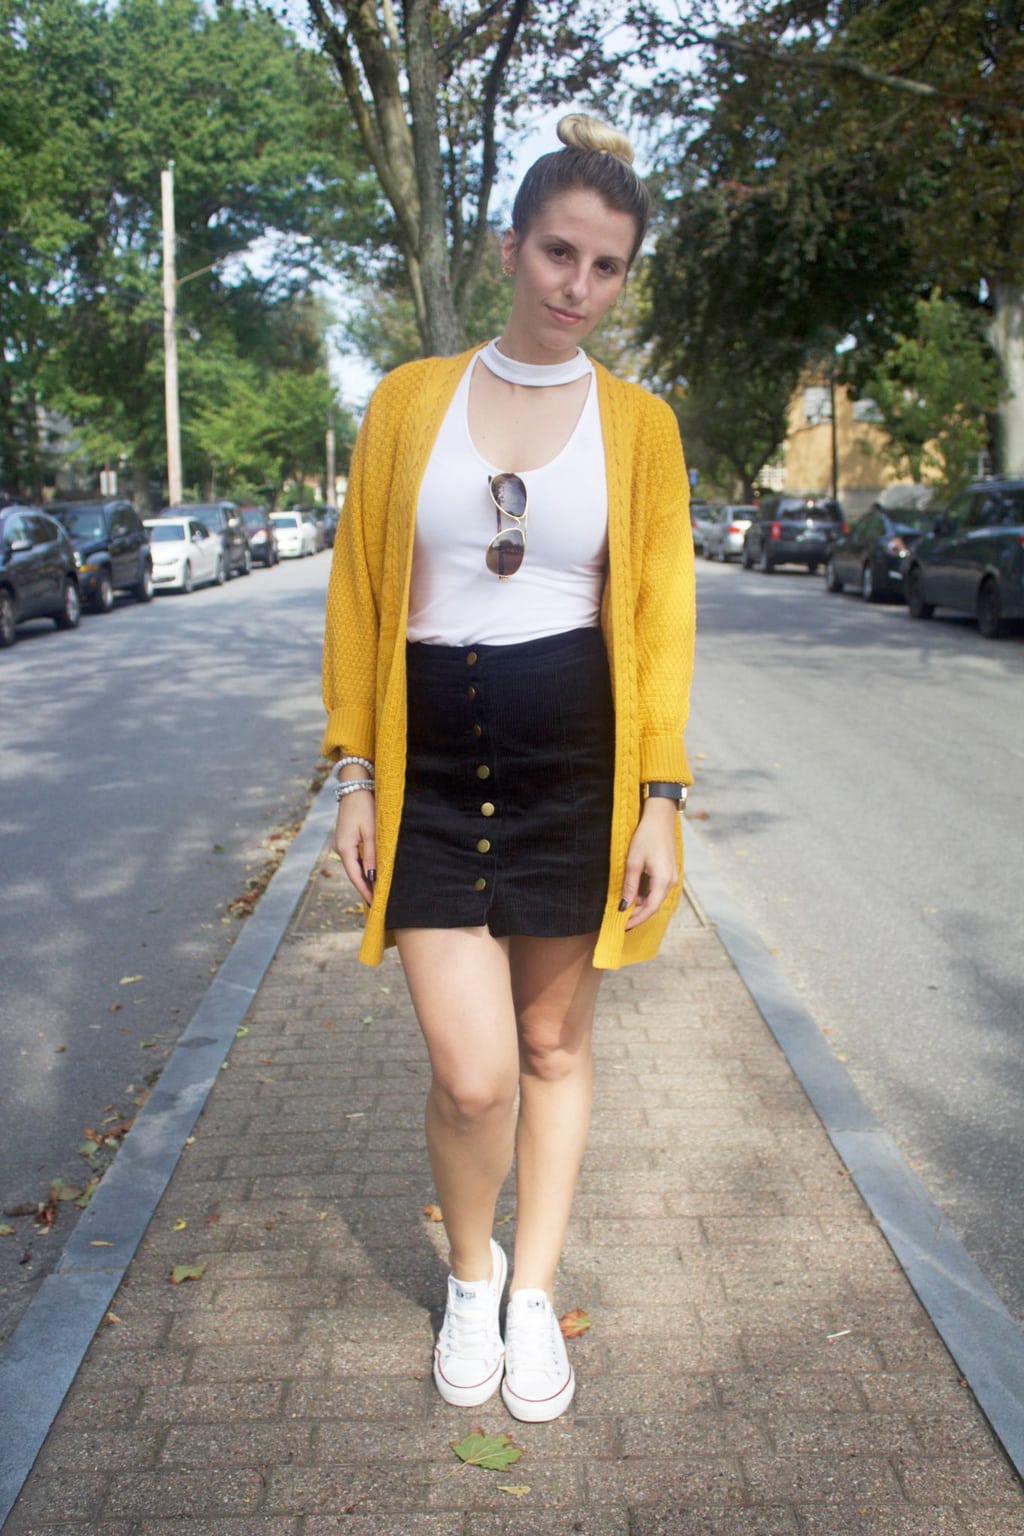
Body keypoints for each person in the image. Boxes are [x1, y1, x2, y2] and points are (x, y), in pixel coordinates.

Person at [322, 112, 696, 1424]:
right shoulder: (409, 401)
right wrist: (356, 773)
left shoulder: (640, 425)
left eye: (605, 268)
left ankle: (532, 1291)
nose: (576, 287)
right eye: (556, 252)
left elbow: (658, 614)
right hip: (431, 764)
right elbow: (363, 598)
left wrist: (660, 796)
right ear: (509, 245)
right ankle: (468, 1274)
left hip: (575, 774)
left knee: (551, 1041)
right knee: (471, 1070)